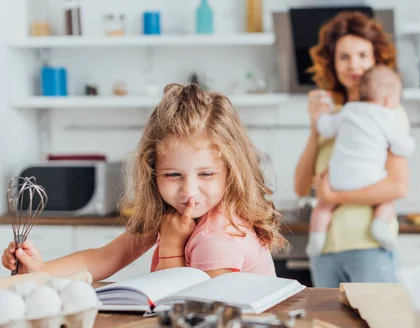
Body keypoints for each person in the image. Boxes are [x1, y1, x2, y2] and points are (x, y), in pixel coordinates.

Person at [2, 83, 285, 280]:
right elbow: (105, 258)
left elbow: (188, 313)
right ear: (152, 172)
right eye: (173, 175)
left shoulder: (217, 238)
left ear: (231, 171)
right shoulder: (172, 216)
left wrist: (173, 248)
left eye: (206, 174)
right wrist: (39, 271)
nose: (189, 191)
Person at [295, 11, 410, 288]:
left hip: (368, 245)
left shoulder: (388, 113)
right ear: (332, 64)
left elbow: (397, 187)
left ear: (376, 61)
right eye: (344, 57)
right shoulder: (332, 117)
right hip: (324, 250)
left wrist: (334, 195)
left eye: (362, 55)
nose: (353, 65)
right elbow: (300, 187)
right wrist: (314, 128)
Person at [306, 65, 415, 257]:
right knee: (387, 201)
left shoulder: (348, 110)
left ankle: (316, 240)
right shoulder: (388, 116)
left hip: (336, 179)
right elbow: (402, 146)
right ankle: (379, 225)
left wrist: (321, 115)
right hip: (369, 178)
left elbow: (325, 127)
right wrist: (409, 145)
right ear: (389, 98)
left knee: (322, 208)